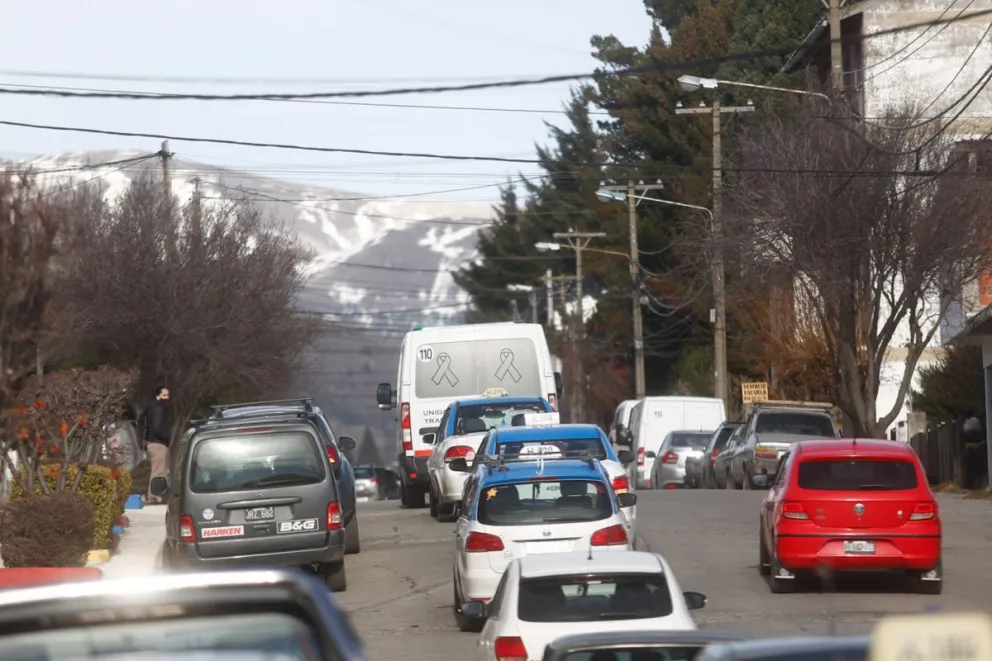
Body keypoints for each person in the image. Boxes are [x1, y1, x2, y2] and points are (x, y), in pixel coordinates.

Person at [144, 386, 174, 504]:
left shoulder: (157, 408)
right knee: (158, 471)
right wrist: (166, 438)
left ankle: (157, 495)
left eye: (167, 395)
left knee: (159, 470)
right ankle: (155, 496)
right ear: (157, 396)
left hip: (156, 442)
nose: (167, 398)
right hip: (158, 443)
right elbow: (157, 428)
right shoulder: (158, 409)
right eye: (164, 395)